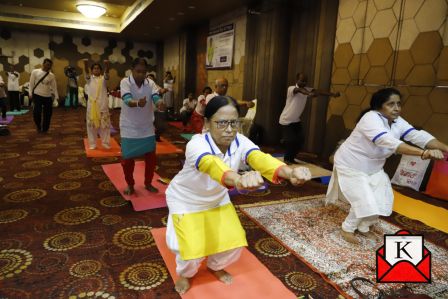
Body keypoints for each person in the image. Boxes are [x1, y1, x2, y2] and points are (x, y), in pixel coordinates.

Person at [165, 95, 312, 294]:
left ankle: (214, 266)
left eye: (233, 122)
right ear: (207, 124)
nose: (228, 129)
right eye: (221, 123)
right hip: (186, 199)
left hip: (216, 198)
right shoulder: (197, 144)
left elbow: (260, 159)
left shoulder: (240, 140)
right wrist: (238, 180)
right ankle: (186, 274)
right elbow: (212, 165)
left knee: (233, 241)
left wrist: (290, 172)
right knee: (189, 251)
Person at [326, 88, 448, 244]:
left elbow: (419, 136)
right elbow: (387, 142)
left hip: (374, 167)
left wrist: (445, 148)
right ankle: (347, 229)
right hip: (351, 164)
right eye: (391, 104)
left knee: (380, 198)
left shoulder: (397, 121)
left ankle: (363, 227)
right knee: (364, 200)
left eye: (398, 104)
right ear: (379, 106)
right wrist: (424, 153)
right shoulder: (370, 118)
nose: (396, 108)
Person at [120, 58, 165, 195]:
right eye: (138, 71)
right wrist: (137, 103)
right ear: (132, 70)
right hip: (129, 127)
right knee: (127, 161)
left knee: (151, 158)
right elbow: (127, 100)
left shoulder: (150, 82)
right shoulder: (125, 82)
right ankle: (130, 184)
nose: (141, 75)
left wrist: (159, 103)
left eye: (144, 72)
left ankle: (148, 183)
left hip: (147, 127)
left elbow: (156, 97)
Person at [279, 72, 340, 164]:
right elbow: (300, 91)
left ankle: (291, 158)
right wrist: (309, 94)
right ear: (297, 80)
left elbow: (319, 91)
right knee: (291, 140)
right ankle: (287, 158)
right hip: (286, 119)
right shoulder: (291, 89)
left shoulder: (307, 89)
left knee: (300, 140)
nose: (304, 83)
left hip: (296, 120)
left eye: (305, 81)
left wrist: (333, 94)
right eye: (302, 81)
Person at [83, 59, 111, 150]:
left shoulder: (104, 79)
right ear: (92, 70)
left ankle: (105, 143)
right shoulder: (89, 79)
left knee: (105, 126)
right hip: (92, 106)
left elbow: (107, 74)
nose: (96, 70)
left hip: (102, 105)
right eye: (94, 68)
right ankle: (92, 144)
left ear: (101, 70)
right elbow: (86, 72)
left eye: (98, 68)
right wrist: (85, 64)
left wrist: (107, 66)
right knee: (91, 126)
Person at [29, 58, 59, 133]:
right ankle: (38, 125)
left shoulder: (51, 75)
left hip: (48, 96)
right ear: (43, 64)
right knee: (36, 112)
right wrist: (30, 93)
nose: (48, 67)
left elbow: (54, 87)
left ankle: (45, 129)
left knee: (48, 114)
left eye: (50, 66)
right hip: (37, 95)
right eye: (47, 65)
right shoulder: (35, 72)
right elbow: (31, 83)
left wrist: (56, 97)